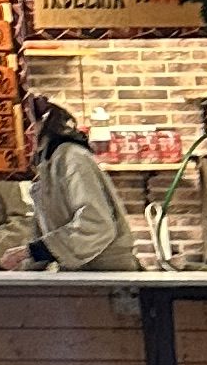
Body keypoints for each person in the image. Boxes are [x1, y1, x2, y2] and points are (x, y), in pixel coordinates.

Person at [29, 101, 135, 272]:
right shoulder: (47, 163)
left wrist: (36, 251)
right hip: (84, 276)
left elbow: (96, 224)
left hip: (108, 279)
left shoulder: (71, 158)